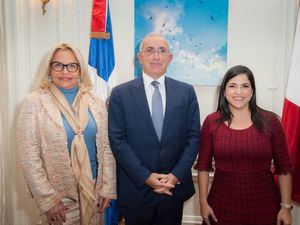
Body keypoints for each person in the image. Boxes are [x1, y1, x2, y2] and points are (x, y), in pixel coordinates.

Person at [17, 43, 117, 225]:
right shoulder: (33, 103)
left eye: (72, 65)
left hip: (94, 192)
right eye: (58, 65)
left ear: (80, 70)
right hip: (58, 198)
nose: (65, 71)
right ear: (49, 68)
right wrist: (48, 200)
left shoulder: (96, 102)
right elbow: (28, 157)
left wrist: (108, 188)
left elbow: (107, 148)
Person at [108, 33, 200, 225]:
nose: (156, 56)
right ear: (139, 57)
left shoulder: (187, 92)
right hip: (136, 189)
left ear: (170, 58)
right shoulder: (120, 94)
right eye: (149, 51)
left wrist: (175, 176)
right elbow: (118, 141)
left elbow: (194, 138)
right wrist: (146, 177)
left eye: (161, 51)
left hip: (173, 190)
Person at [196, 65, 293, 225]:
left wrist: (286, 207)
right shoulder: (211, 122)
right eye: (232, 86)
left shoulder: (270, 121)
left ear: (252, 91)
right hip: (220, 208)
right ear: (224, 91)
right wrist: (203, 203)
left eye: (245, 86)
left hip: (266, 208)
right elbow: (203, 167)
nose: (239, 92)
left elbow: (284, 168)